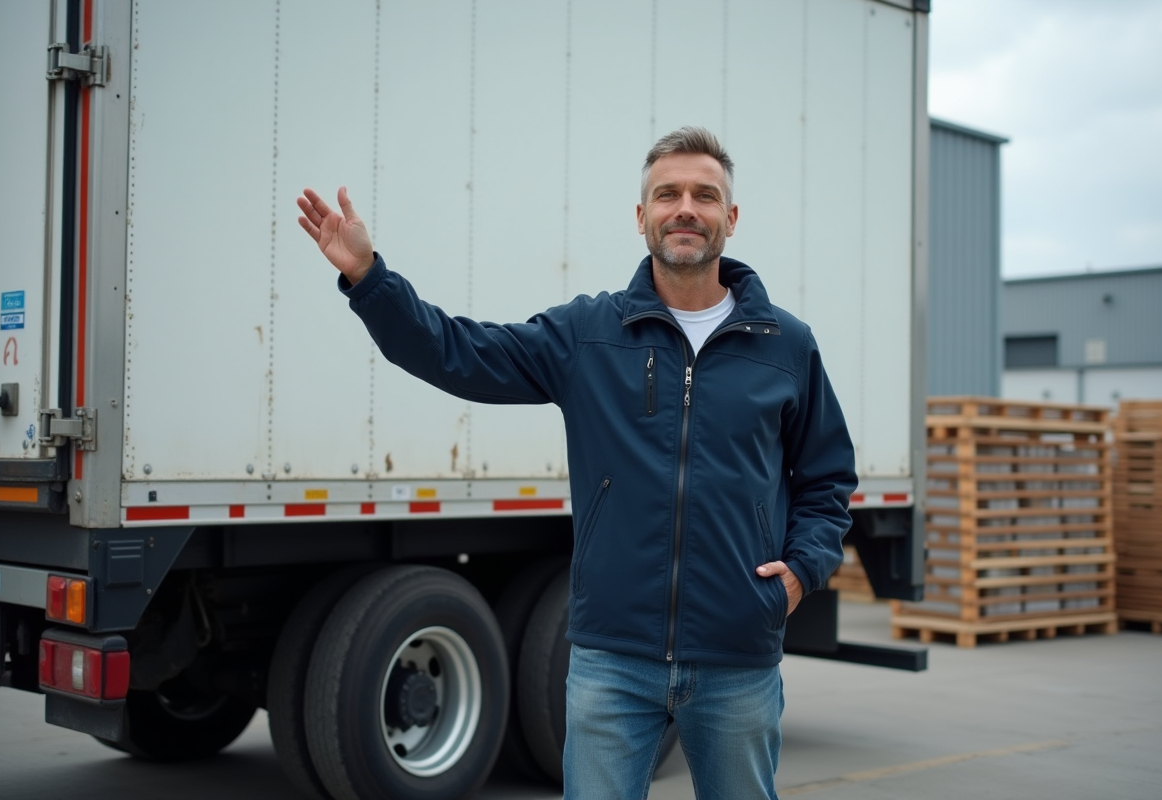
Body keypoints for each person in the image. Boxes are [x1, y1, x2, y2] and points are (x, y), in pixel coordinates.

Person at [297, 126, 857, 800]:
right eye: (667, 194)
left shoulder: (786, 346)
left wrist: (798, 574)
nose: (686, 207)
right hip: (612, 660)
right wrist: (368, 278)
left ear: (730, 219)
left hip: (737, 657)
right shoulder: (587, 335)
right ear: (641, 216)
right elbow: (455, 352)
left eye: (705, 195)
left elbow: (826, 480)